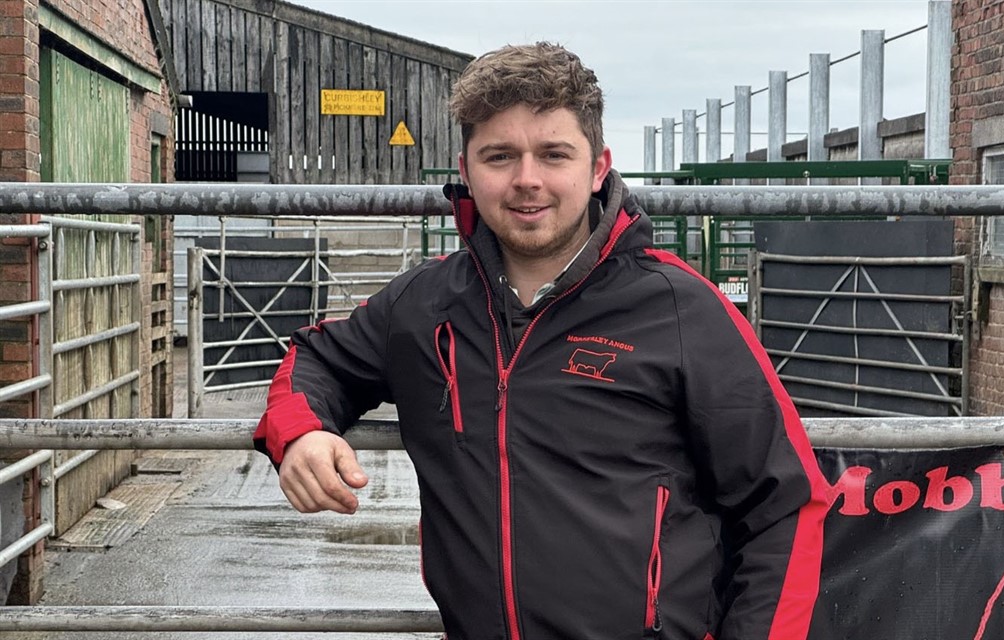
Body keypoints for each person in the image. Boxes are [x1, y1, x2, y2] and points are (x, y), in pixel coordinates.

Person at [254, 42, 830, 640]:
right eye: (499, 156)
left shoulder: (682, 309)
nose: (527, 180)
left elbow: (783, 504)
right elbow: (319, 358)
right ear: (466, 169)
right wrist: (302, 433)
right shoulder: (424, 306)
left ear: (598, 166)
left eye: (554, 154)